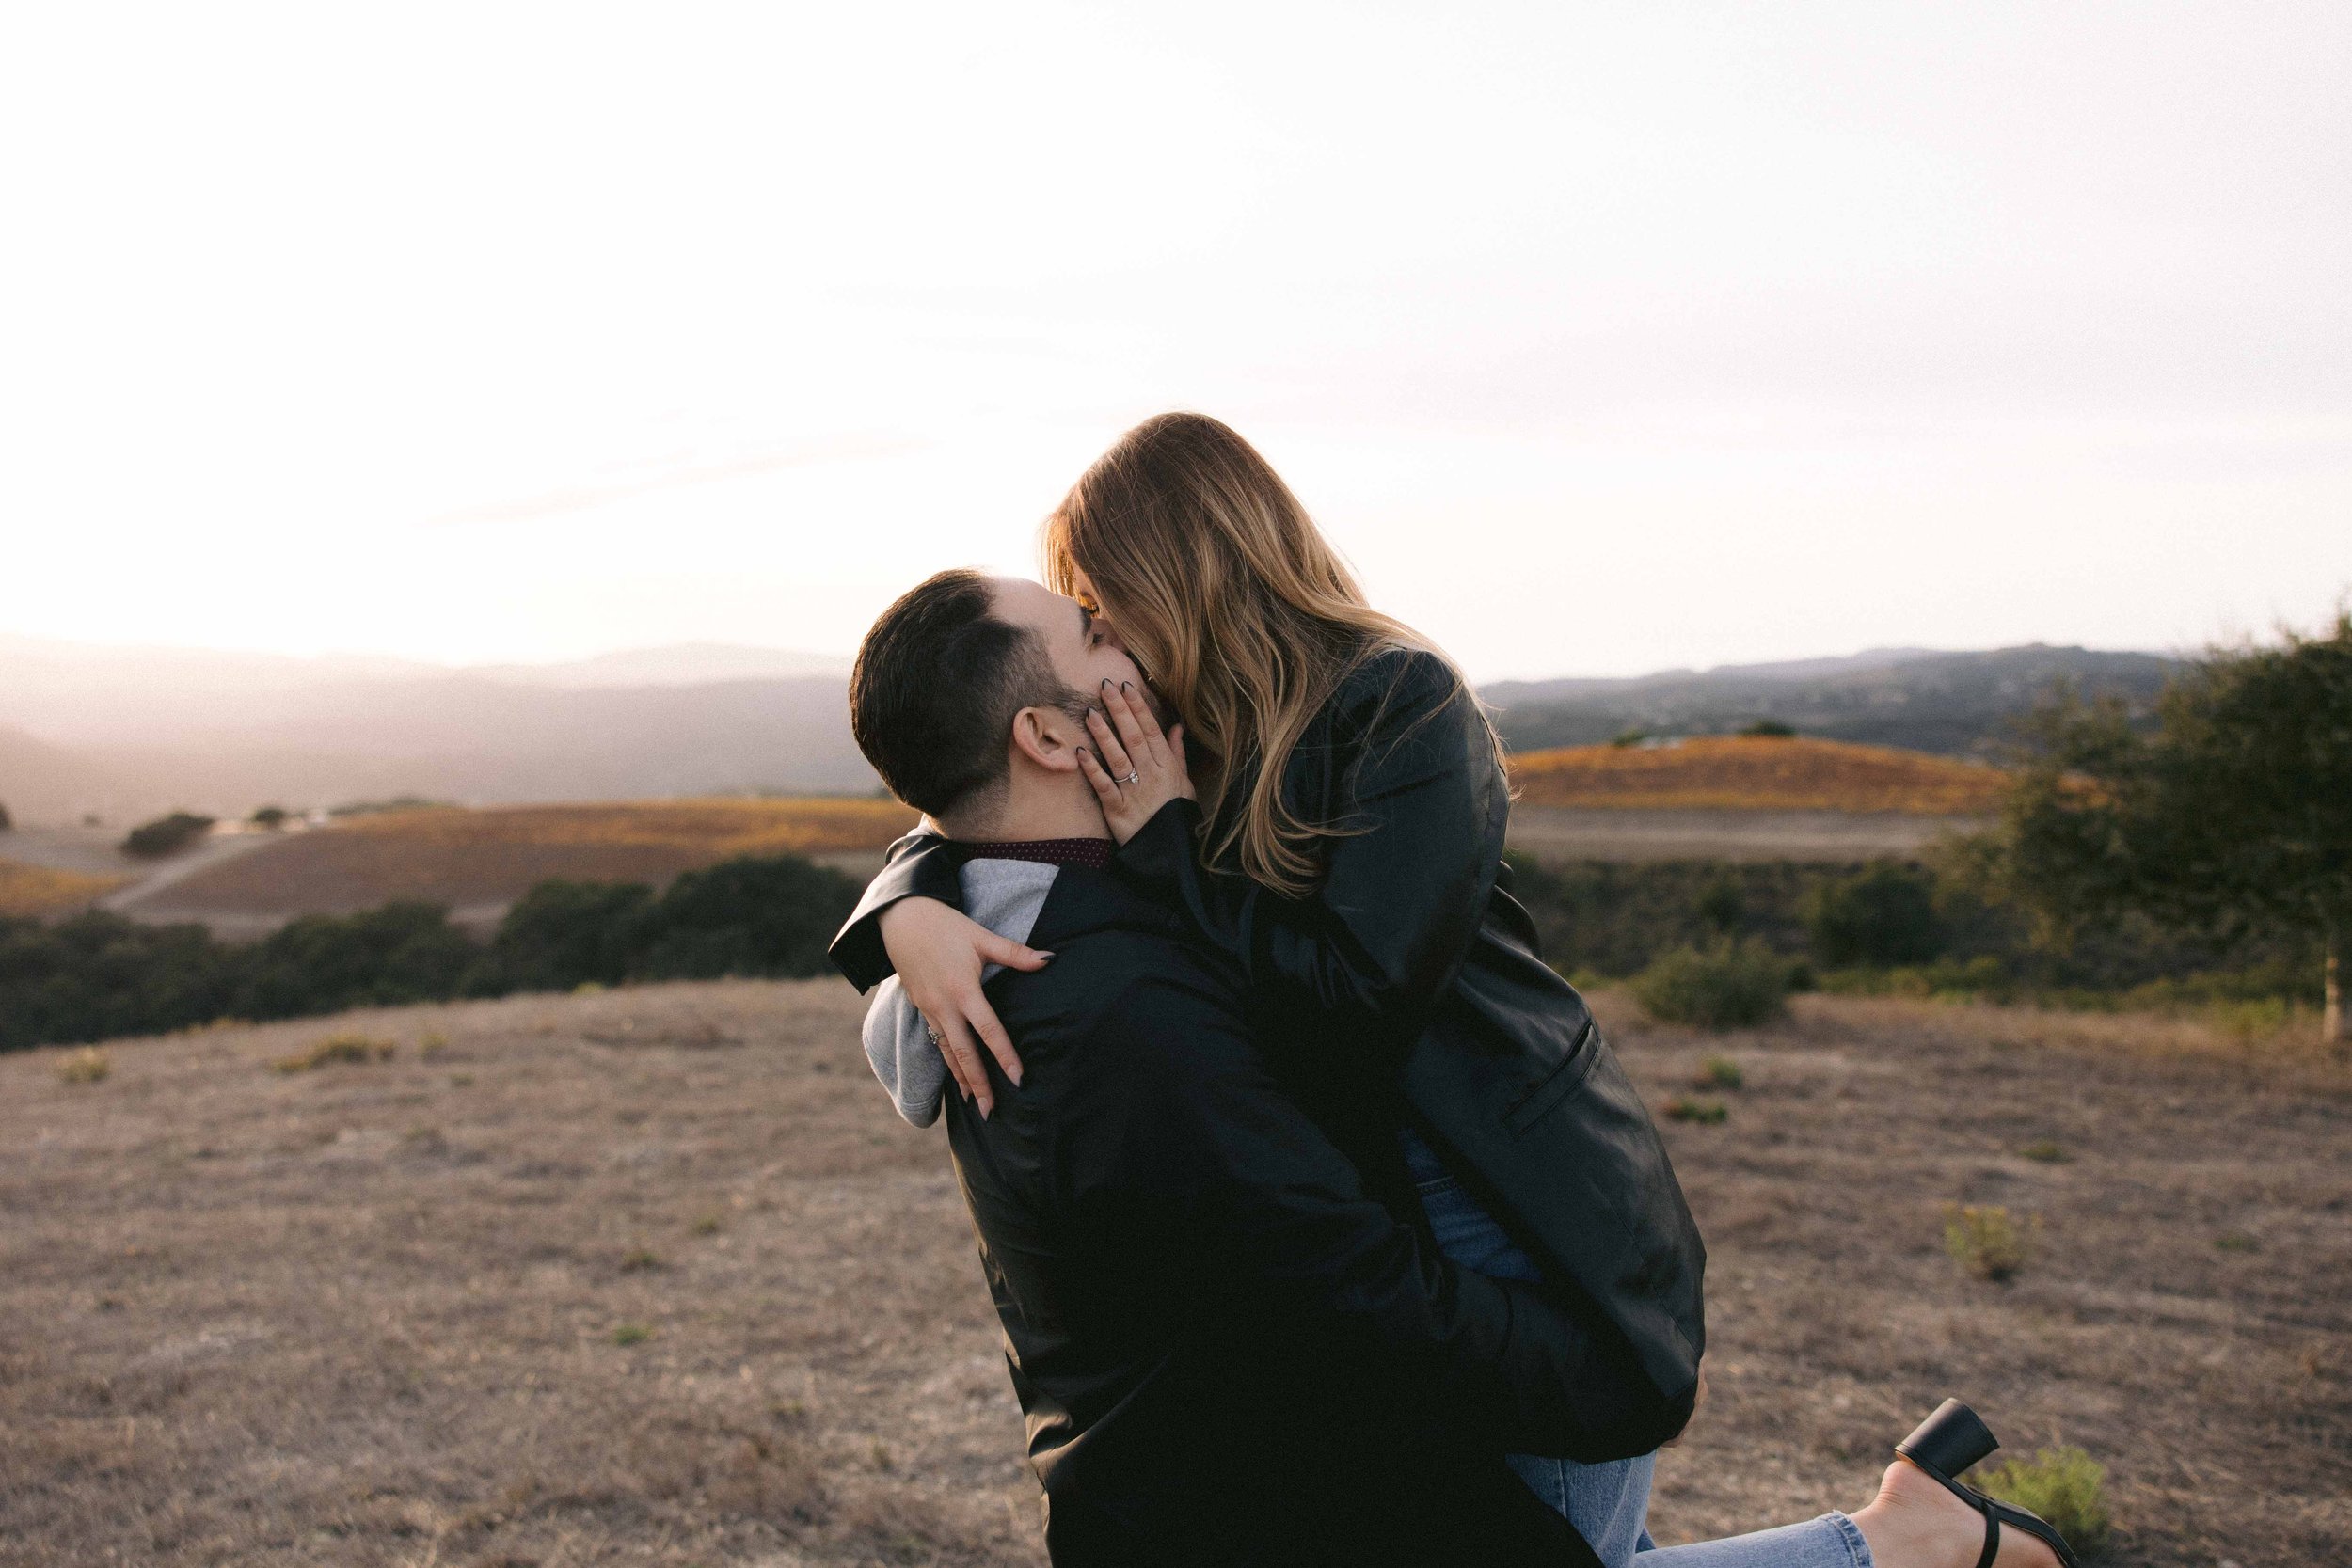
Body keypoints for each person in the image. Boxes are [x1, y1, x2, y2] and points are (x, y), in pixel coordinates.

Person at [839, 562, 2074, 1568]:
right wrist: (1603, 1375)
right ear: (1049, 733)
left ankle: (1910, 1544)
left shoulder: (1050, 911)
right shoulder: (1105, 1004)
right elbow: (1346, 1283)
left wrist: (908, 891)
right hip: (1244, 1490)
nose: (1138, 649)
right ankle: (1907, 1548)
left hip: (1259, 1469)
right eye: (1096, 632)